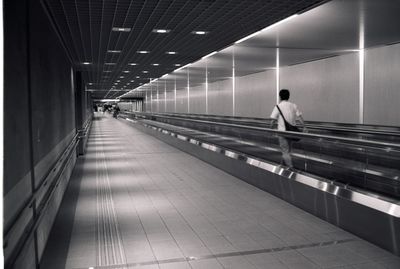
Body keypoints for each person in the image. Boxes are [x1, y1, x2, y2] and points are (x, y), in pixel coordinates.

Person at [270, 89, 305, 168]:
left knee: (285, 151)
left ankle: (290, 168)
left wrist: (271, 129)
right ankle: (282, 165)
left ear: (280, 97)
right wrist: (304, 127)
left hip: (282, 132)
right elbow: (300, 117)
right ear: (288, 96)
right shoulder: (293, 105)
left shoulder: (278, 106)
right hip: (291, 132)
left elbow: (272, 121)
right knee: (287, 151)